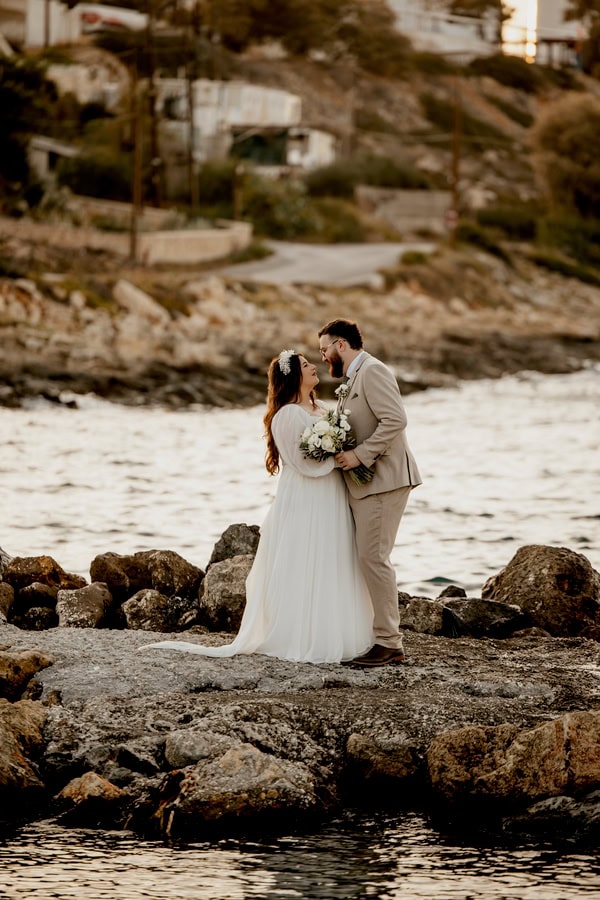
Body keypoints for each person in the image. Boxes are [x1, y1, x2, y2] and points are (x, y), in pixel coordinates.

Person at [142, 350, 373, 664]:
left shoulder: (319, 408)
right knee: (307, 558)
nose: (313, 367)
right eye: (306, 365)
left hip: (330, 494)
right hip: (307, 497)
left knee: (331, 555)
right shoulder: (287, 415)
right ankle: (304, 635)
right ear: (294, 376)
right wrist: (336, 459)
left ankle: (337, 629)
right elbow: (302, 463)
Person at [318, 319, 422, 667]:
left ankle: (389, 642)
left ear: (342, 345)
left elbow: (395, 420)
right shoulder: (353, 377)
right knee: (367, 557)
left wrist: (359, 455)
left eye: (324, 349)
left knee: (374, 557)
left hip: (385, 479)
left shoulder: (373, 371)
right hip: (369, 483)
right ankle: (375, 634)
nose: (323, 356)